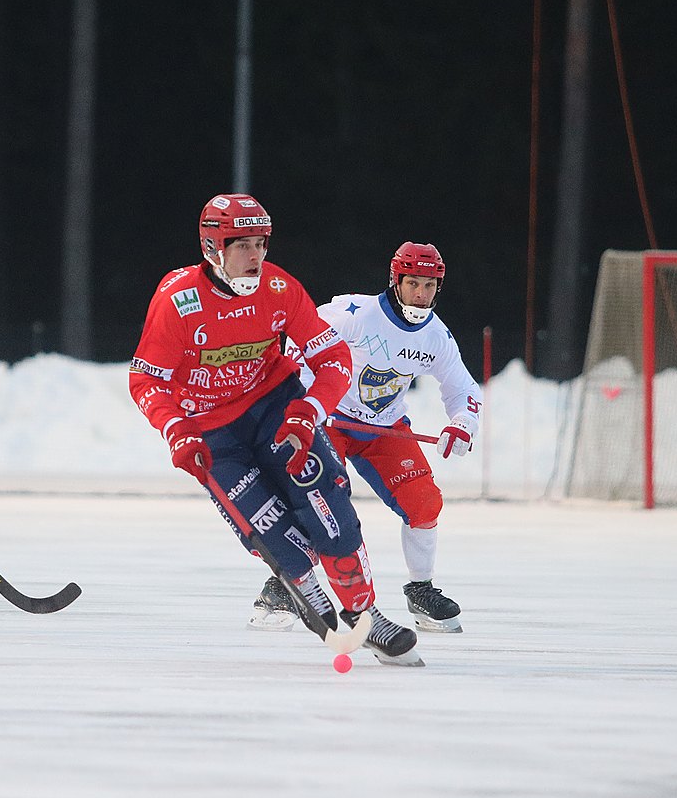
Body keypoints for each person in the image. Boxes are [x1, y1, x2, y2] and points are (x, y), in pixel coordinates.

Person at [129, 194, 421, 666]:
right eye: (241, 244)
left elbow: (332, 359)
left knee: (328, 504)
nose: (255, 256)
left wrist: (309, 410)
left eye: (260, 243)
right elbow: (145, 378)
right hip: (211, 431)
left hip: (274, 407)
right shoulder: (177, 301)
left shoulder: (281, 289)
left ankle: (365, 615)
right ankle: (309, 595)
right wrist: (176, 430)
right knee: (269, 527)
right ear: (212, 248)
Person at [256, 241, 482, 633]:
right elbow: (298, 341)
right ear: (395, 280)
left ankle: (421, 590)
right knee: (320, 500)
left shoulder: (437, 338)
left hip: (384, 428)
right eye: (414, 283)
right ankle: (283, 585)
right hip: (332, 421)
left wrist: (462, 422)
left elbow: (463, 390)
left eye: (430, 286)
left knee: (425, 503)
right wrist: (297, 399)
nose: (421, 294)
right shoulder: (353, 314)